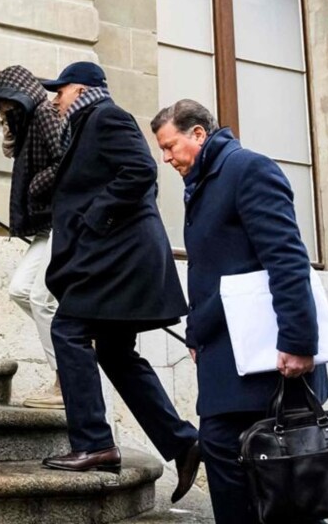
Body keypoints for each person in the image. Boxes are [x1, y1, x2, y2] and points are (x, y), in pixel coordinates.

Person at [151, 99, 328, 524]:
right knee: (242, 469)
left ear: (198, 134)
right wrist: (196, 333)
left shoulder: (248, 169)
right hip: (229, 359)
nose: (166, 158)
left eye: (170, 146)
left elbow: (287, 260)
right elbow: (213, 269)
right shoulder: (205, 182)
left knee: (283, 486)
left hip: (270, 362)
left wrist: (298, 342)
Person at [39, 61, 201, 506]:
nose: (55, 100)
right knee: (114, 351)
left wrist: (95, 218)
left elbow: (141, 170)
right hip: (116, 255)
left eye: (60, 91)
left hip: (119, 256)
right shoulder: (83, 126)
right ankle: (183, 441)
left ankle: (94, 443)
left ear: (81, 89)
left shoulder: (107, 116)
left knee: (67, 329)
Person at [0, 66, 65, 409]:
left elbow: (65, 159)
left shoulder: (45, 114)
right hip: (45, 226)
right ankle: (73, 343)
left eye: (10, 107)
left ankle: (66, 378)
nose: (6, 114)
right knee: (20, 289)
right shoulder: (25, 125)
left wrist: (36, 185)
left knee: (41, 297)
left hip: (61, 219)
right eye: (1, 109)